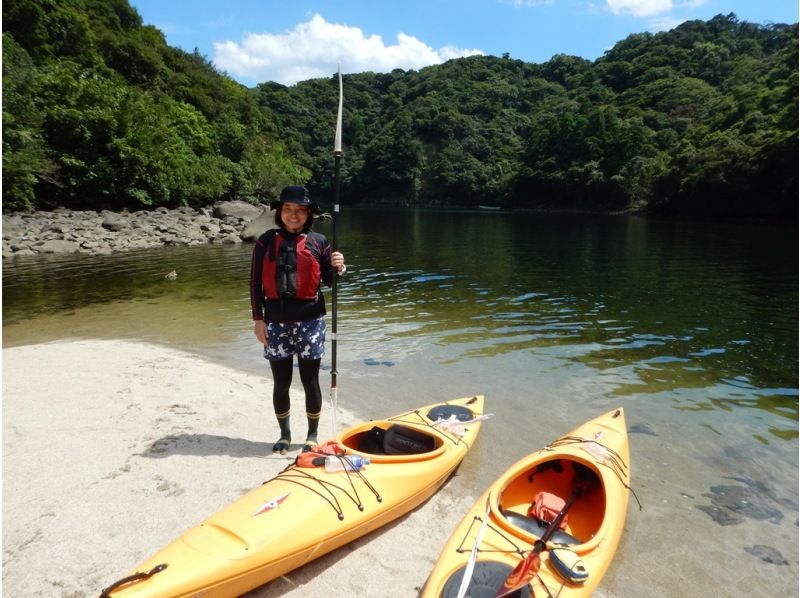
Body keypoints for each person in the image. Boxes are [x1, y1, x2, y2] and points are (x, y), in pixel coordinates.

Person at [249, 185, 346, 454]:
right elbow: (255, 282)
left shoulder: (318, 242)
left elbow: (329, 279)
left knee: (310, 381)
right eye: (288, 209)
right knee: (280, 382)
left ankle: (312, 435)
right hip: (275, 324)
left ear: (308, 214)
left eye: (300, 210)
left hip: (311, 323)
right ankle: (284, 434)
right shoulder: (265, 241)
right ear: (280, 212)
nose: (293, 215)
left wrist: (339, 266)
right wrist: (259, 320)